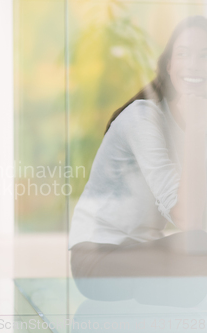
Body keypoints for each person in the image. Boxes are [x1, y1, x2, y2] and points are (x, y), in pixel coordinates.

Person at [68, 15, 207, 302]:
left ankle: (162, 295)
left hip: (148, 252)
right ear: (169, 66)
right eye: (183, 54)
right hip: (99, 261)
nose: (194, 64)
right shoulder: (143, 118)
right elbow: (189, 219)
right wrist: (196, 128)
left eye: (204, 55)